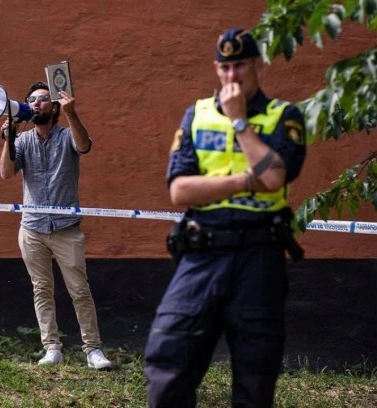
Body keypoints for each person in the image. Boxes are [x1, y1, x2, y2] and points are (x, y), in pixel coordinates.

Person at [144, 28, 307, 407]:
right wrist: (247, 180)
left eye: (241, 66)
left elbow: (276, 178)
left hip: (259, 258)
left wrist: (239, 123)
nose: (232, 76)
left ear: (257, 65)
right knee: (166, 359)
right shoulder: (196, 115)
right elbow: (179, 191)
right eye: (225, 68)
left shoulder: (284, 116)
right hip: (202, 254)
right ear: (217, 69)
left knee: (255, 377)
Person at [0, 81, 112, 370]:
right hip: (32, 228)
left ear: (55, 107)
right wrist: (7, 140)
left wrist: (73, 114)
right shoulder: (22, 140)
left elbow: (84, 146)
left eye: (43, 99)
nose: (36, 103)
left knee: (79, 290)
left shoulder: (65, 136)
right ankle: (51, 348)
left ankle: (93, 350)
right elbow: (6, 173)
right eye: (32, 100)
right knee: (41, 290)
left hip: (66, 229)